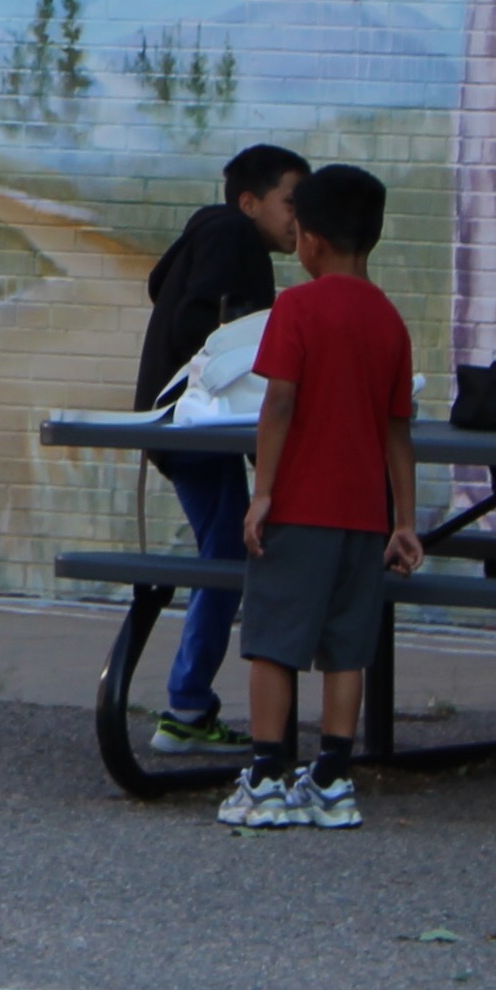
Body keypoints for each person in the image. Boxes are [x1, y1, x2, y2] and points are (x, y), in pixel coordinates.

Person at [222, 163, 418, 834]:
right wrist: (406, 518)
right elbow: (399, 428)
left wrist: (263, 492)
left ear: (309, 241)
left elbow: (279, 400)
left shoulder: (297, 308)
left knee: (274, 641)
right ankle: (334, 776)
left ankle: (267, 773)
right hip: (364, 515)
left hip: (299, 504)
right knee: (345, 648)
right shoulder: (390, 320)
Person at [127, 144, 309, 748]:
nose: (299, 217)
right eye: (290, 202)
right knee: (229, 552)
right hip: (197, 426)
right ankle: (185, 706)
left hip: (186, 425)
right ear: (249, 201)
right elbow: (200, 328)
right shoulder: (233, 237)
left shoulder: (219, 236)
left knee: (226, 549)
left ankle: (189, 704)